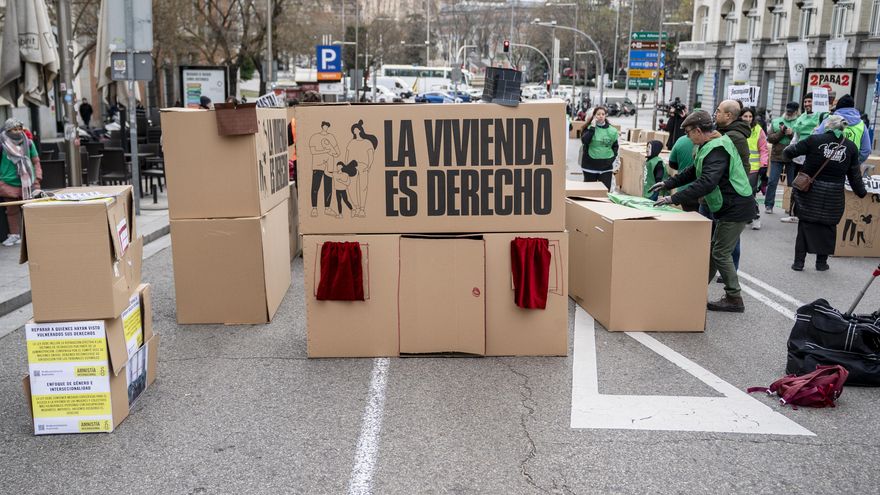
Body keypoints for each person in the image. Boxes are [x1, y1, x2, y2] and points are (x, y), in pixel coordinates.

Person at [651, 111, 754, 312]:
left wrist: (673, 198)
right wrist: (668, 183)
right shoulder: (707, 145)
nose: (688, 137)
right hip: (728, 205)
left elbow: (706, 182)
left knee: (720, 252)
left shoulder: (717, 149)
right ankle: (697, 288)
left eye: (689, 133)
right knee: (715, 249)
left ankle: (734, 298)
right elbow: (693, 171)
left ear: (698, 131)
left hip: (736, 206)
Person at [783, 115, 867, 271]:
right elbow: (855, 175)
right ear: (843, 128)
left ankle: (799, 263)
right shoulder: (851, 147)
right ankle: (821, 263)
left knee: (805, 226)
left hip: (810, 192)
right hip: (834, 195)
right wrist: (862, 192)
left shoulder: (814, 140)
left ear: (827, 125)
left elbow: (790, 152)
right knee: (828, 228)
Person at [0, 119, 42, 246]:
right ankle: (15, 234)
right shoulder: (2, 144)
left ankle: (31, 233)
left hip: (28, 183)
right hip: (8, 183)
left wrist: (37, 178)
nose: (18, 132)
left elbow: (36, 161)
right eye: (14, 129)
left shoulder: (28, 142)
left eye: (20, 129)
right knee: (11, 210)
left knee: (30, 209)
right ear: (8, 130)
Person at [765, 101, 800, 219]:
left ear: (796, 112)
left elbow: (801, 139)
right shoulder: (776, 121)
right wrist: (781, 132)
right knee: (772, 181)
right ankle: (769, 205)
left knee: (791, 183)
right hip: (777, 155)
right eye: (787, 111)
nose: (789, 113)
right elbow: (770, 138)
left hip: (792, 156)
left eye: (791, 112)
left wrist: (791, 134)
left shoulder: (799, 122)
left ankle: (789, 206)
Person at [815, 94, 872, 165]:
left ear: (838, 107)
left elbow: (815, 140)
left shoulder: (829, 120)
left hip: (827, 164)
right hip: (849, 166)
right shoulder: (862, 125)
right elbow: (866, 150)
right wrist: (855, 163)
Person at [741, 107, 769, 230]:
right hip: (738, 167)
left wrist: (764, 165)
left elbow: (763, 149)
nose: (748, 119)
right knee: (740, 193)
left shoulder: (758, 130)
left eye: (750, 116)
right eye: (745, 116)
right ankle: (746, 216)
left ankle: (756, 217)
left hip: (753, 168)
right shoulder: (736, 129)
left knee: (750, 194)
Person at [580, 106, 619, 190]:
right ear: (594, 116)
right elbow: (585, 141)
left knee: (605, 191)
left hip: (606, 167)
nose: (601, 116)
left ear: (605, 116)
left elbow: (615, 146)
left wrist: (611, 159)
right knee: (589, 192)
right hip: (589, 166)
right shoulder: (588, 128)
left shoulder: (612, 130)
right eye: (598, 114)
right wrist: (592, 127)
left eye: (603, 114)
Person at [667, 134, 698, 211]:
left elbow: (672, 163)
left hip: (684, 190)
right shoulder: (711, 142)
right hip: (704, 193)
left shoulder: (681, 140)